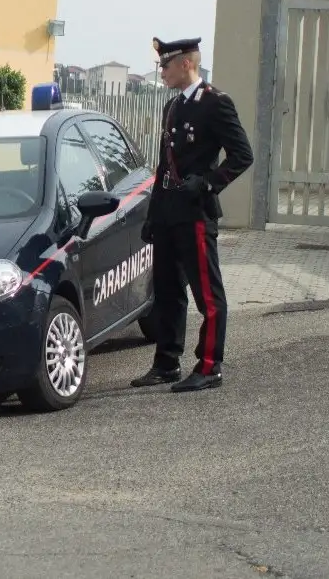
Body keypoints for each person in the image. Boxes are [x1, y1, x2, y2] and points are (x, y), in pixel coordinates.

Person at [132, 37, 253, 393]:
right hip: (169, 212)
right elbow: (162, 166)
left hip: (196, 214)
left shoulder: (216, 103)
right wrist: (153, 215)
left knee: (208, 295)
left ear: (186, 64)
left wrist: (209, 183)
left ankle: (210, 366)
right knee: (168, 292)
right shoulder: (172, 106)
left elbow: (242, 155)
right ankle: (167, 361)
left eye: (166, 65)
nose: (162, 72)